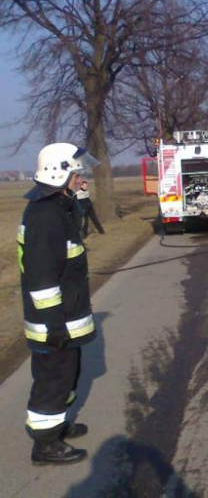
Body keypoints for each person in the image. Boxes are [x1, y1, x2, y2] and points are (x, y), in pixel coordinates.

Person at [18, 143, 98, 465]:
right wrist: (53, 324)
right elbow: (41, 278)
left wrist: (78, 199)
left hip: (66, 314)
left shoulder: (56, 207)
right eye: (77, 172)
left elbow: (72, 242)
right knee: (53, 381)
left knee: (67, 375)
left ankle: (57, 424)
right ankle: (45, 445)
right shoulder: (44, 215)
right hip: (53, 321)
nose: (82, 177)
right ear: (59, 172)